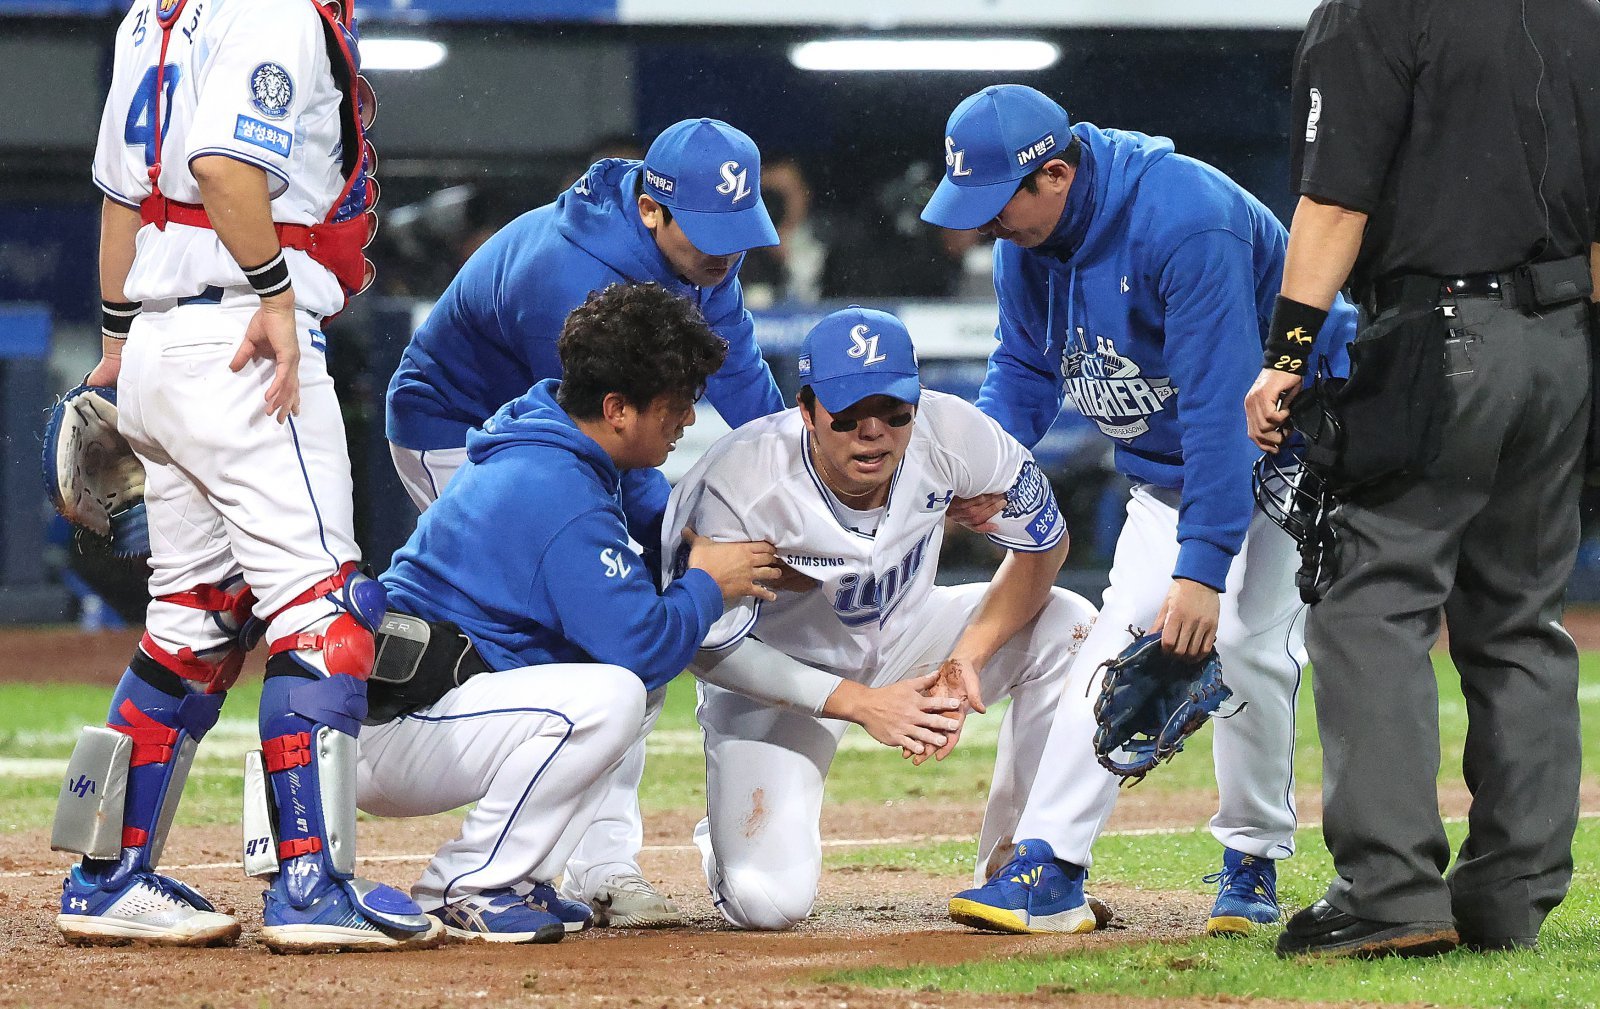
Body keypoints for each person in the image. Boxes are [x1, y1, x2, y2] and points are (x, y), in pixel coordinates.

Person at [919, 84, 1356, 935]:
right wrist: (988, 465)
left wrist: (1199, 573)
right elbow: (1022, 367)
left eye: (994, 202)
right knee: (1120, 634)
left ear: (1053, 173)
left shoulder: (1184, 218)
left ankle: (1252, 859)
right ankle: (1050, 865)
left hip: (1284, 450)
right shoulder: (1028, 241)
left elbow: (1223, 413)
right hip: (1166, 467)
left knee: (1246, 648)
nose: (982, 225)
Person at [52, 0, 439, 952]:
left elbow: (119, 198)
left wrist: (116, 346)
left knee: (196, 617)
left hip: (158, 336)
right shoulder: (273, 11)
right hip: (244, 339)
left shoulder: (153, 13)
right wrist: (271, 292)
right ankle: (312, 883)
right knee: (329, 612)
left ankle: (107, 875)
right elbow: (222, 171)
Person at [1245, 0, 1600, 959]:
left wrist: (1285, 354)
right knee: (1521, 613)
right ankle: (1510, 893)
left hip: (1444, 332)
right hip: (1565, 339)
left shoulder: (1369, 11)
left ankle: (1390, 890)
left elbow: (1335, 202)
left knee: (1370, 600)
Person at [385, 116, 786, 927]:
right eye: (711, 237)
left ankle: (560, 852)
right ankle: (560, 862)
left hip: (565, 440)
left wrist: (796, 489)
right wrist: (692, 550)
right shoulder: (570, 273)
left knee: (608, 632)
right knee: (600, 634)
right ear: (652, 212)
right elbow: (595, 447)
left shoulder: (710, 250)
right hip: (457, 430)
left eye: (738, 237)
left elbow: (746, 387)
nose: (725, 256)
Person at [663, 306, 1101, 932]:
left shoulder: (951, 432)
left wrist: (966, 657)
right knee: (768, 903)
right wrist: (864, 705)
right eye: (847, 414)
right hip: (782, 680)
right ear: (806, 409)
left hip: (906, 637)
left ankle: (1021, 872)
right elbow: (707, 647)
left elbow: (1045, 544)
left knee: (1072, 626)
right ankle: (728, 834)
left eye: (894, 411)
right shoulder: (741, 480)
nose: (872, 432)